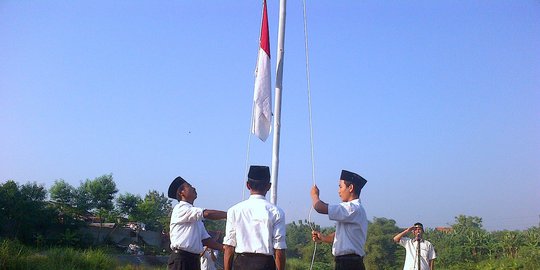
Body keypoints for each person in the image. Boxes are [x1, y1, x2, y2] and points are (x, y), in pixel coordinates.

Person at [223, 165, 287, 270]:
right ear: (269, 186)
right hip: (265, 264)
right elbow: (279, 249)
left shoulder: (234, 210)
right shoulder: (276, 212)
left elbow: (229, 247)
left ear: (248, 185)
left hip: (241, 264)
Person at [310, 170, 368, 270]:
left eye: (340, 186)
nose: (339, 191)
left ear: (351, 188)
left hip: (350, 264)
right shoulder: (352, 210)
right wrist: (323, 238)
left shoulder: (352, 208)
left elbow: (319, 207)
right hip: (346, 263)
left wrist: (315, 196)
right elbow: (340, 236)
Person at [167, 176, 227, 270]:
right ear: (181, 192)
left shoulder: (196, 218)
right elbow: (206, 213)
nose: (194, 188)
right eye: (189, 186)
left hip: (194, 260)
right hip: (181, 259)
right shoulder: (180, 209)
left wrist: (224, 248)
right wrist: (229, 215)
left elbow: (206, 240)